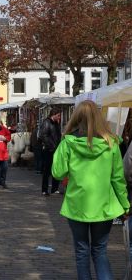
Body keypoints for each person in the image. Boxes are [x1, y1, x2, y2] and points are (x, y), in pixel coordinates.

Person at [52, 100, 130, 280]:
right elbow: (118, 179)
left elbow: (57, 173)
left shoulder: (68, 143)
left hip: (77, 205)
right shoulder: (111, 144)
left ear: (76, 117)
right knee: (100, 251)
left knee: (81, 251)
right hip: (103, 205)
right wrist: (125, 205)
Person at [39, 107, 61, 196]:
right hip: (49, 150)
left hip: (56, 149)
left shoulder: (56, 123)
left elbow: (57, 136)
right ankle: (44, 190)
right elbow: (43, 136)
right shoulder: (46, 122)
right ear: (54, 114)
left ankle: (54, 189)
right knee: (47, 170)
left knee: (56, 169)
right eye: (58, 115)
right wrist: (52, 145)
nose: (59, 117)